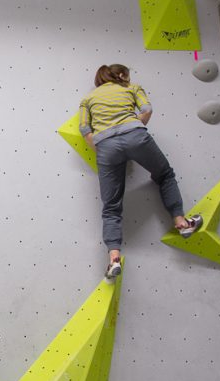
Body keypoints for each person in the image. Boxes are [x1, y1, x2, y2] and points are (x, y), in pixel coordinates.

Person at [79, 63, 202, 280]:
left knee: (111, 206)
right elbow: (147, 109)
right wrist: (135, 125)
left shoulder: (88, 99)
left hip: (105, 146)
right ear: (120, 75)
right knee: (164, 175)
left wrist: (101, 145)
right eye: (126, 75)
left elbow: (84, 129)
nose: (128, 78)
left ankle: (114, 258)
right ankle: (182, 223)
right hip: (135, 135)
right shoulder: (132, 88)